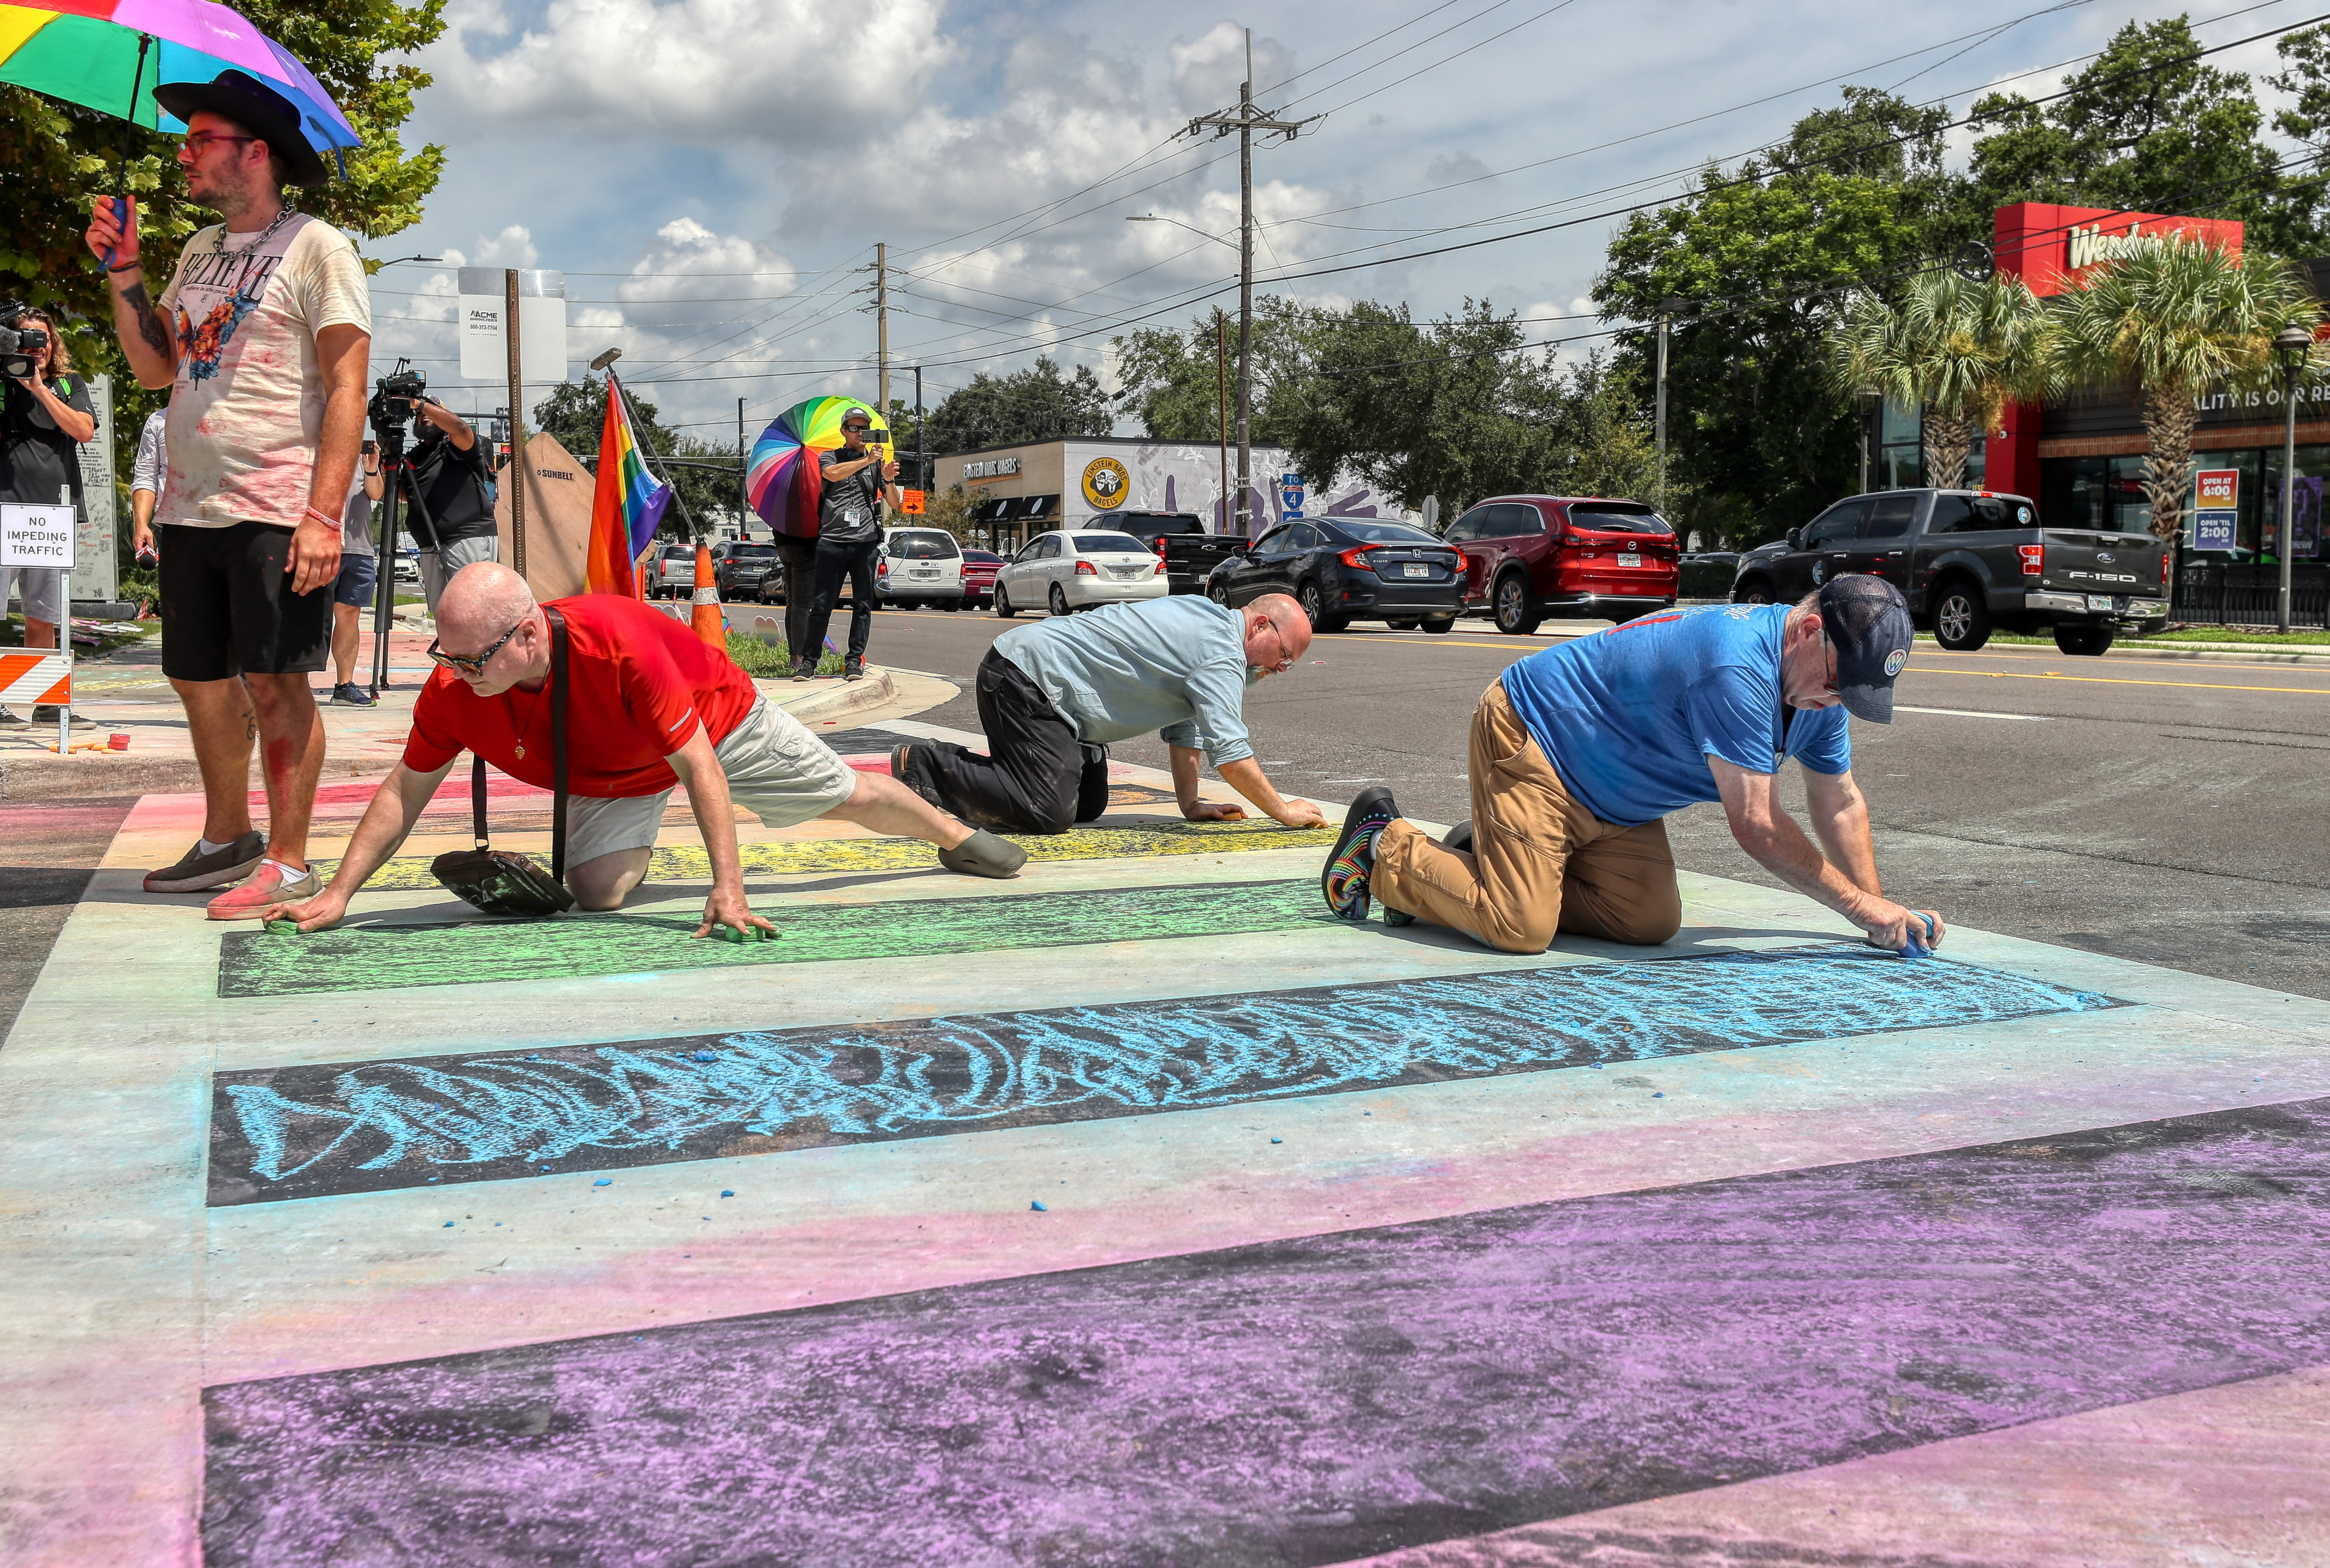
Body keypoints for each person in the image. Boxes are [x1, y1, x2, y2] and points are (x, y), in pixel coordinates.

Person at [263, 563, 1025, 933]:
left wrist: (730, 888)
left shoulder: (618, 648)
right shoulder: (456, 687)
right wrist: (340, 893)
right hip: (612, 763)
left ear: (528, 634)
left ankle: (952, 832)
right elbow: (405, 790)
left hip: (713, 722)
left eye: (472, 659)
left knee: (845, 796)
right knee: (595, 893)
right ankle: (636, 829)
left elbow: (698, 765)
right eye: (447, 655)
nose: (456, 674)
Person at [85, 68, 369, 917]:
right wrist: (125, 270)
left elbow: (347, 387)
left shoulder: (320, 247)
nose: (183, 154)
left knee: (276, 679)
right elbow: (157, 367)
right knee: (199, 677)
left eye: (199, 140)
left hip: (276, 502)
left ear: (256, 153)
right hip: (187, 503)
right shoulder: (199, 252)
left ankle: (287, 860)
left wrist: (323, 516)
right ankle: (226, 839)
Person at [1320, 577, 1945, 959]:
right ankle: (1385, 847)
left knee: (1648, 922)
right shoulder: (1736, 667)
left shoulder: (1818, 690)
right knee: (1519, 927)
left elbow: (1838, 801)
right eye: (1839, 682)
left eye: (1855, 693)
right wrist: (1861, 910)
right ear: (1808, 630)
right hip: (1537, 739)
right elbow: (1755, 824)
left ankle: (1482, 859)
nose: (1838, 702)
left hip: (1614, 799)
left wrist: (1879, 910)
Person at [892, 591, 1328, 835]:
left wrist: (1189, 803)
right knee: (1046, 810)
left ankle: (1055, 763)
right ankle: (927, 764)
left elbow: (1187, 728)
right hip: (1025, 679)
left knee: (1088, 804)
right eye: (1284, 655)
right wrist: (1283, 811)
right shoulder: (1221, 652)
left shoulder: (1210, 622)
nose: (1281, 669)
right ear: (1259, 626)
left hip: (1047, 692)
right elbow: (1230, 754)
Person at [0, 304, 98, 728]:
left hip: (51, 516)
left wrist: (39, 387)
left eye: (43, 338)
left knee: (44, 612)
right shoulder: (2, 385)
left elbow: (83, 430)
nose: (35, 347)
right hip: (4, 508)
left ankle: (47, 702)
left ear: (54, 342)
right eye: (26, 338)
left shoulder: (67, 383)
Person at [796, 408, 896, 684]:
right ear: (844, 432)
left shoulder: (876, 464)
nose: (860, 433)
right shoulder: (832, 456)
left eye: (864, 428)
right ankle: (809, 663)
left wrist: (887, 478)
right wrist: (867, 460)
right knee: (822, 604)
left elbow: (896, 503)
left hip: (865, 543)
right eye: (854, 428)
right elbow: (831, 474)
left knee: (863, 605)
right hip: (832, 541)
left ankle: (854, 661)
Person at [392, 394, 495, 617]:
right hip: (429, 544)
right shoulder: (416, 456)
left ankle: (480, 654)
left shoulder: (458, 444)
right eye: (419, 415)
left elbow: (459, 427)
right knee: (444, 614)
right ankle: (451, 653)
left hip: (466, 538)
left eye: (431, 411)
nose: (424, 415)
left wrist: (419, 404)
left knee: (473, 610)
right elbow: (403, 495)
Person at [326, 441, 383, 705]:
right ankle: (294, 683)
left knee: (349, 617)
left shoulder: (362, 457)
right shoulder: (318, 446)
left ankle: (344, 686)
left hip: (359, 548)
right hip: (325, 545)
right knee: (310, 615)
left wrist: (372, 469)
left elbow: (376, 494)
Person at [128, 405, 167, 567]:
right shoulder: (158, 421)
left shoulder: (236, 411)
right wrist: (141, 525)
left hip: (234, 525)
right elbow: (146, 476)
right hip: (175, 528)